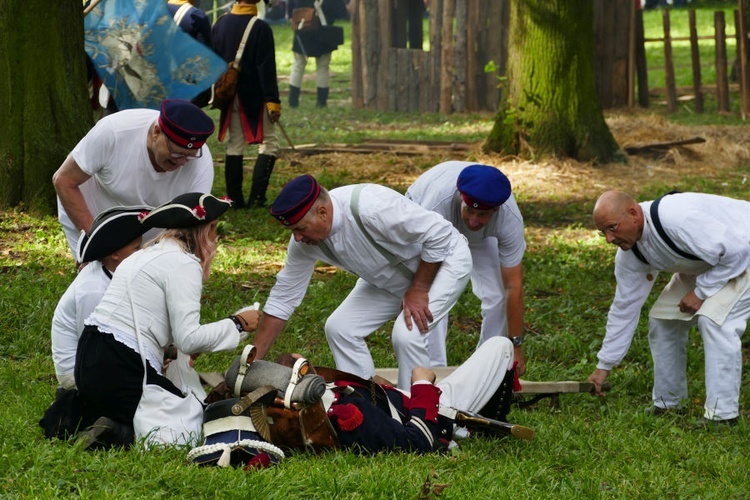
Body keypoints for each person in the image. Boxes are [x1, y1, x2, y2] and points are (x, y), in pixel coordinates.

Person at [74, 193, 261, 449]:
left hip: (90, 360)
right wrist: (238, 323)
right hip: (119, 365)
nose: (215, 239)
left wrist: (173, 350)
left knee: (159, 405)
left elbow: (147, 322)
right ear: (203, 231)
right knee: (193, 426)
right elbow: (189, 337)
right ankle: (120, 434)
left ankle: (102, 421)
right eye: (214, 230)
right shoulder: (183, 263)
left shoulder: (145, 254)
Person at [253, 174, 473, 389]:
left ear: (322, 212)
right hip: (390, 277)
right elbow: (283, 297)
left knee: (407, 335)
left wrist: (419, 288)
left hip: (446, 261)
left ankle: (415, 412)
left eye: (300, 229)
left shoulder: (371, 206)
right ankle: (365, 400)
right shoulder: (303, 242)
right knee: (340, 328)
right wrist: (251, 362)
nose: (297, 238)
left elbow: (440, 235)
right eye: (293, 231)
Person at [587, 190, 750, 426]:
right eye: (603, 232)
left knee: (715, 321)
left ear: (633, 214)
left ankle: (722, 415)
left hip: (743, 253)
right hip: (712, 263)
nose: (609, 239)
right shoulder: (630, 253)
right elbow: (624, 308)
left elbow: (737, 252)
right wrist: (604, 365)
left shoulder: (678, 220)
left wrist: (701, 292)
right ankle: (669, 403)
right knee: (662, 320)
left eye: (612, 228)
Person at [52, 99, 216, 260]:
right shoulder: (114, 131)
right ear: (156, 132)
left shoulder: (200, 162)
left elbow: (194, 221)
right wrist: (96, 242)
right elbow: (64, 181)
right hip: (93, 213)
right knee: (98, 280)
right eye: (176, 153)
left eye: (188, 156)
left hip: (153, 231)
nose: (181, 162)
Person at [406, 161, 528, 376]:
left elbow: (513, 286)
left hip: (482, 235)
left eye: (483, 215)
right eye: (469, 211)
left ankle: (485, 368)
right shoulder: (436, 203)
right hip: (431, 228)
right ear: (461, 198)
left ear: (497, 209)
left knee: (498, 293)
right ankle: (432, 368)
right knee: (431, 293)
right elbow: (421, 274)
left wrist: (516, 346)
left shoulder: (509, 219)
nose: (473, 221)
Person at [51, 205, 151, 392]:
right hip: (79, 370)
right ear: (115, 254)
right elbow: (94, 349)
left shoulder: (116, 273)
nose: (142, 252)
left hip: (105, 355)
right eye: (136, 248)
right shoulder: (93, 290)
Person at [212, 0, 282, 208]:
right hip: (255, 96)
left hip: (229, 94)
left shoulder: (220, 24)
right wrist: (272, 100)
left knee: (235, 143)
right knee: (269, 143)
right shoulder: (260, 27)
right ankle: (257, 198)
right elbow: (266, 67)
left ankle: (234, 199)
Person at [287, 0, 346, 108]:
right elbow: (340, 12)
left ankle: (293, 101)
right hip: (323, 31)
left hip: (302, 27)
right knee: (323, 67)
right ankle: (321, 102)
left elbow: (291, 8)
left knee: (298, 66)